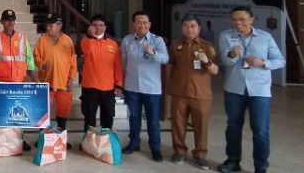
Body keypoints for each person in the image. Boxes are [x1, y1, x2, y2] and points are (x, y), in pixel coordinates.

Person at [217, 6, 286, 173]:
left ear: (251, 20)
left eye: (242, 19)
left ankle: (260, 167)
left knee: (261, 130)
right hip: (234, 88)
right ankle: (233, 160)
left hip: (259, 90)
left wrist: (263, 63)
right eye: (234, 20)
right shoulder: (226, 36)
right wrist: (232, 55)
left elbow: (280, 60)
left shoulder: (265, 37)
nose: (238, 23)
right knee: (233, 126)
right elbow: (225, 63)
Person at [166, 14, 219, 170]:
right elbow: (169, 66)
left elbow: (215, 70)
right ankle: (179, 151)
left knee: (201, 126)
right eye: (186, 26)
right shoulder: (175, 46)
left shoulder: (207, 46)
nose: (189, 29)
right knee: (177, 124)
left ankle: (200, 155)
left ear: (199, 28)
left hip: (201, 94)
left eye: (193, 26)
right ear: (182, 28)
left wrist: (206, 61)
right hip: (179, 92)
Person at [0, 9, 38, 151]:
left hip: (18, 81)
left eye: (12, 20)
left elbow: (29, 57)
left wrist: (32, 74)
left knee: (19, 114)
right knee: (4, 113)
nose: (10, 22)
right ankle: (4, 140)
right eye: (7, 20)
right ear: (1, 22)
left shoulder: (22, 37)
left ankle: (20, 140)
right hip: (2, 82)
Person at [119, 11, 168, 162]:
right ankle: (134, 143)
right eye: (139, 22)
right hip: (132, 87)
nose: (142, 25)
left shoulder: (157, 41)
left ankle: (155, 148)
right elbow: (123, 63)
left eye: (145, 22)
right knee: (134, 118)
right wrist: (121, 85)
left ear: (150, 24)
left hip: (152, 89)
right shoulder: (127, 41)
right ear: (133, 24)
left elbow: (165, 59)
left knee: (153, 120)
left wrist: (152, 52)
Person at [33, 13, 77, 149]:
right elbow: (36, 57)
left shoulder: (68, 41)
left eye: (51, 25)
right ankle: (42, 139)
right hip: (46, 84)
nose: (48, 28)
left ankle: (60, 139)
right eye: (46, 25)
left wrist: (71, 79)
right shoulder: (42, 40)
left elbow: (73, 62)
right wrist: (41, 65)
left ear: (59, 26)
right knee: (43, 112)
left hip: (64, 85)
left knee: (62, 113)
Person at [80, 14, 123, 138]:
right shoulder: (86, 41)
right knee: (89, 116)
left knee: (108, 116)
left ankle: (105, 141)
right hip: (90, 87)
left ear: (105, 27)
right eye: (95, 25)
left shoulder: (113, 44)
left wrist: (119, 83)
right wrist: (89, 35)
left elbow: (117, 65)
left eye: (100, 25)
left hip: (108, 87)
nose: (98, 28)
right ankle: (87, 141)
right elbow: (86, 49)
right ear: (90, 27)